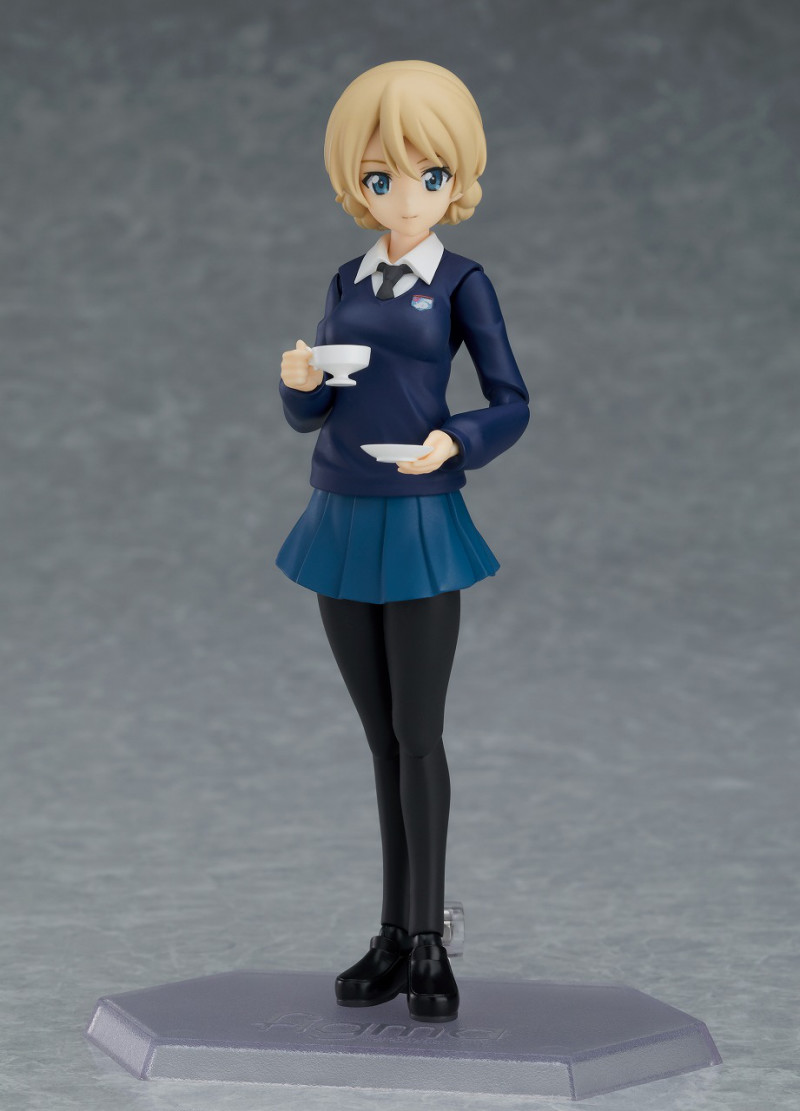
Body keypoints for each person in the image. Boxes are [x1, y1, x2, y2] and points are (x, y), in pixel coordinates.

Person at [277, 60, 529, 1022]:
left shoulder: (462, 282)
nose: (407, 195)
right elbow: (314, 410)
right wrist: (300, 383)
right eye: (381, 177)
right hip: (341, 511)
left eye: (429, 174)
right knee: (378, 739)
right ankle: (389, 932)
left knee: (420, 734)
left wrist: (453, 440)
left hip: (420, 518)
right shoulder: (346, 278)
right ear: (357, 181)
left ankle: (429, 936)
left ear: (456, 177)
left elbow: (511, 400)